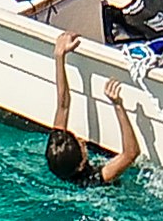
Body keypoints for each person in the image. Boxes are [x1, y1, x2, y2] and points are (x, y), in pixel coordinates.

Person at [46, 33, 146, 186]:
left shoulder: (58, 155)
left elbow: (63, 104)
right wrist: (118, 105)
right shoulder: (96, 177)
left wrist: (59, 56)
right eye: (81, 145)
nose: (81, 140)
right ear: (81, 165)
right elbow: (131, 154)